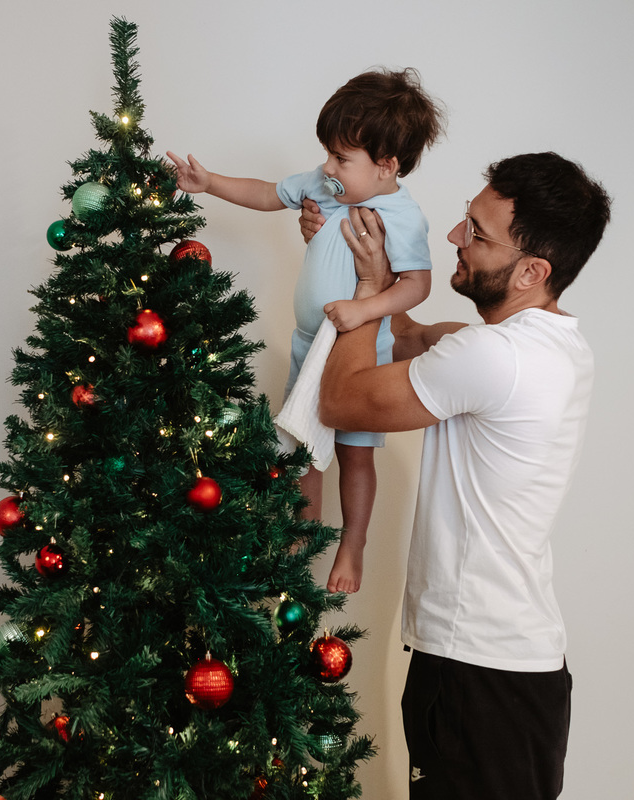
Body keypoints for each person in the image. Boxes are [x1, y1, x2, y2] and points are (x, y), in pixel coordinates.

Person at [308, 151, 612, 799]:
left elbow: (339, 401)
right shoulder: (551, 345)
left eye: (476, 232)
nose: (455, 236)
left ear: (532, 271)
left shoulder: (494, 356)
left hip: (476, 670)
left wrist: (365, 296)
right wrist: (373, 274)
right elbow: (411, 338)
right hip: (510, 668)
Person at [167, 68, 446, 594]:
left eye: (341, 158)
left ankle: (353, 543)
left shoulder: (401, 216)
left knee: (354, 453)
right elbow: (268, 193)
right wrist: (211, 184)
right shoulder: (323, 187)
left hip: (361, 351)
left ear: (386, 166)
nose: (328, 167)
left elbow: (417, 285)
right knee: (300, 449)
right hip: (307, 345)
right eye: (328, 155)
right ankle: (302, 536)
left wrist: (366, 310)